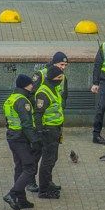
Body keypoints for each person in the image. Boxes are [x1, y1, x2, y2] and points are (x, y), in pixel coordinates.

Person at [27, 52, 68, 193]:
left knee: (51, 157)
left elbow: (64, 96)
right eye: (61, 64)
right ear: (54, 63)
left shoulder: (61, 76)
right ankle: (30, 180)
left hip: (54, 124)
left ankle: (46, 182)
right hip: (42, 124)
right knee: (36, 153)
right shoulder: (41, 75)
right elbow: (31, 95)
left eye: (65, 65)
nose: (63, 68)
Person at [2, 74, 41, 210]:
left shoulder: (10, 99)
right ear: (26, 85)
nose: (33, 86)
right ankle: (12, 194)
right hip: (21, 138)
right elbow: (27, 124)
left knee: (19, 167)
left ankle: (21, 199)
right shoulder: (22, 101)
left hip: (12, 136)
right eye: (31, 84)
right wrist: (35, 141)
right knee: (30, 167)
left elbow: (8, 120)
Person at [33, 66, 66, 199]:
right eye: (59, 78)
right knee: (47, 160)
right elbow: (38, 115)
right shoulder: (43, 93)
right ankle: (44, 189)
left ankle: (48, 182)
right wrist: (40, 132)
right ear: (52, 78)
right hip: (48, 130)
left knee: (53, 158)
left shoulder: (54, 88)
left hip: (56, 128)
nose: (61, 80)